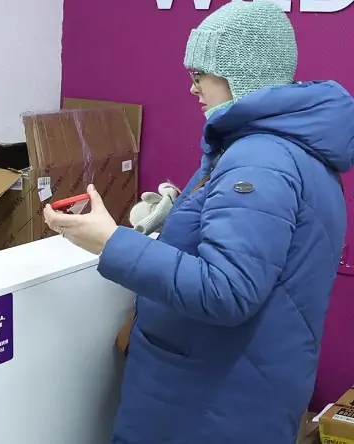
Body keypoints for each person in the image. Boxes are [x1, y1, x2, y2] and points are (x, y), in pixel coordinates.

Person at [44, 1, 354, 443]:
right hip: (235, 393)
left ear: (240, 74)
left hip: (207, 405)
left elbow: (227, 290)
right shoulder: (285, 148)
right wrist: (178, 212)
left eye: (199, 75)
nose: (192, 88)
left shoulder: (259, 159)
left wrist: (109, 241)